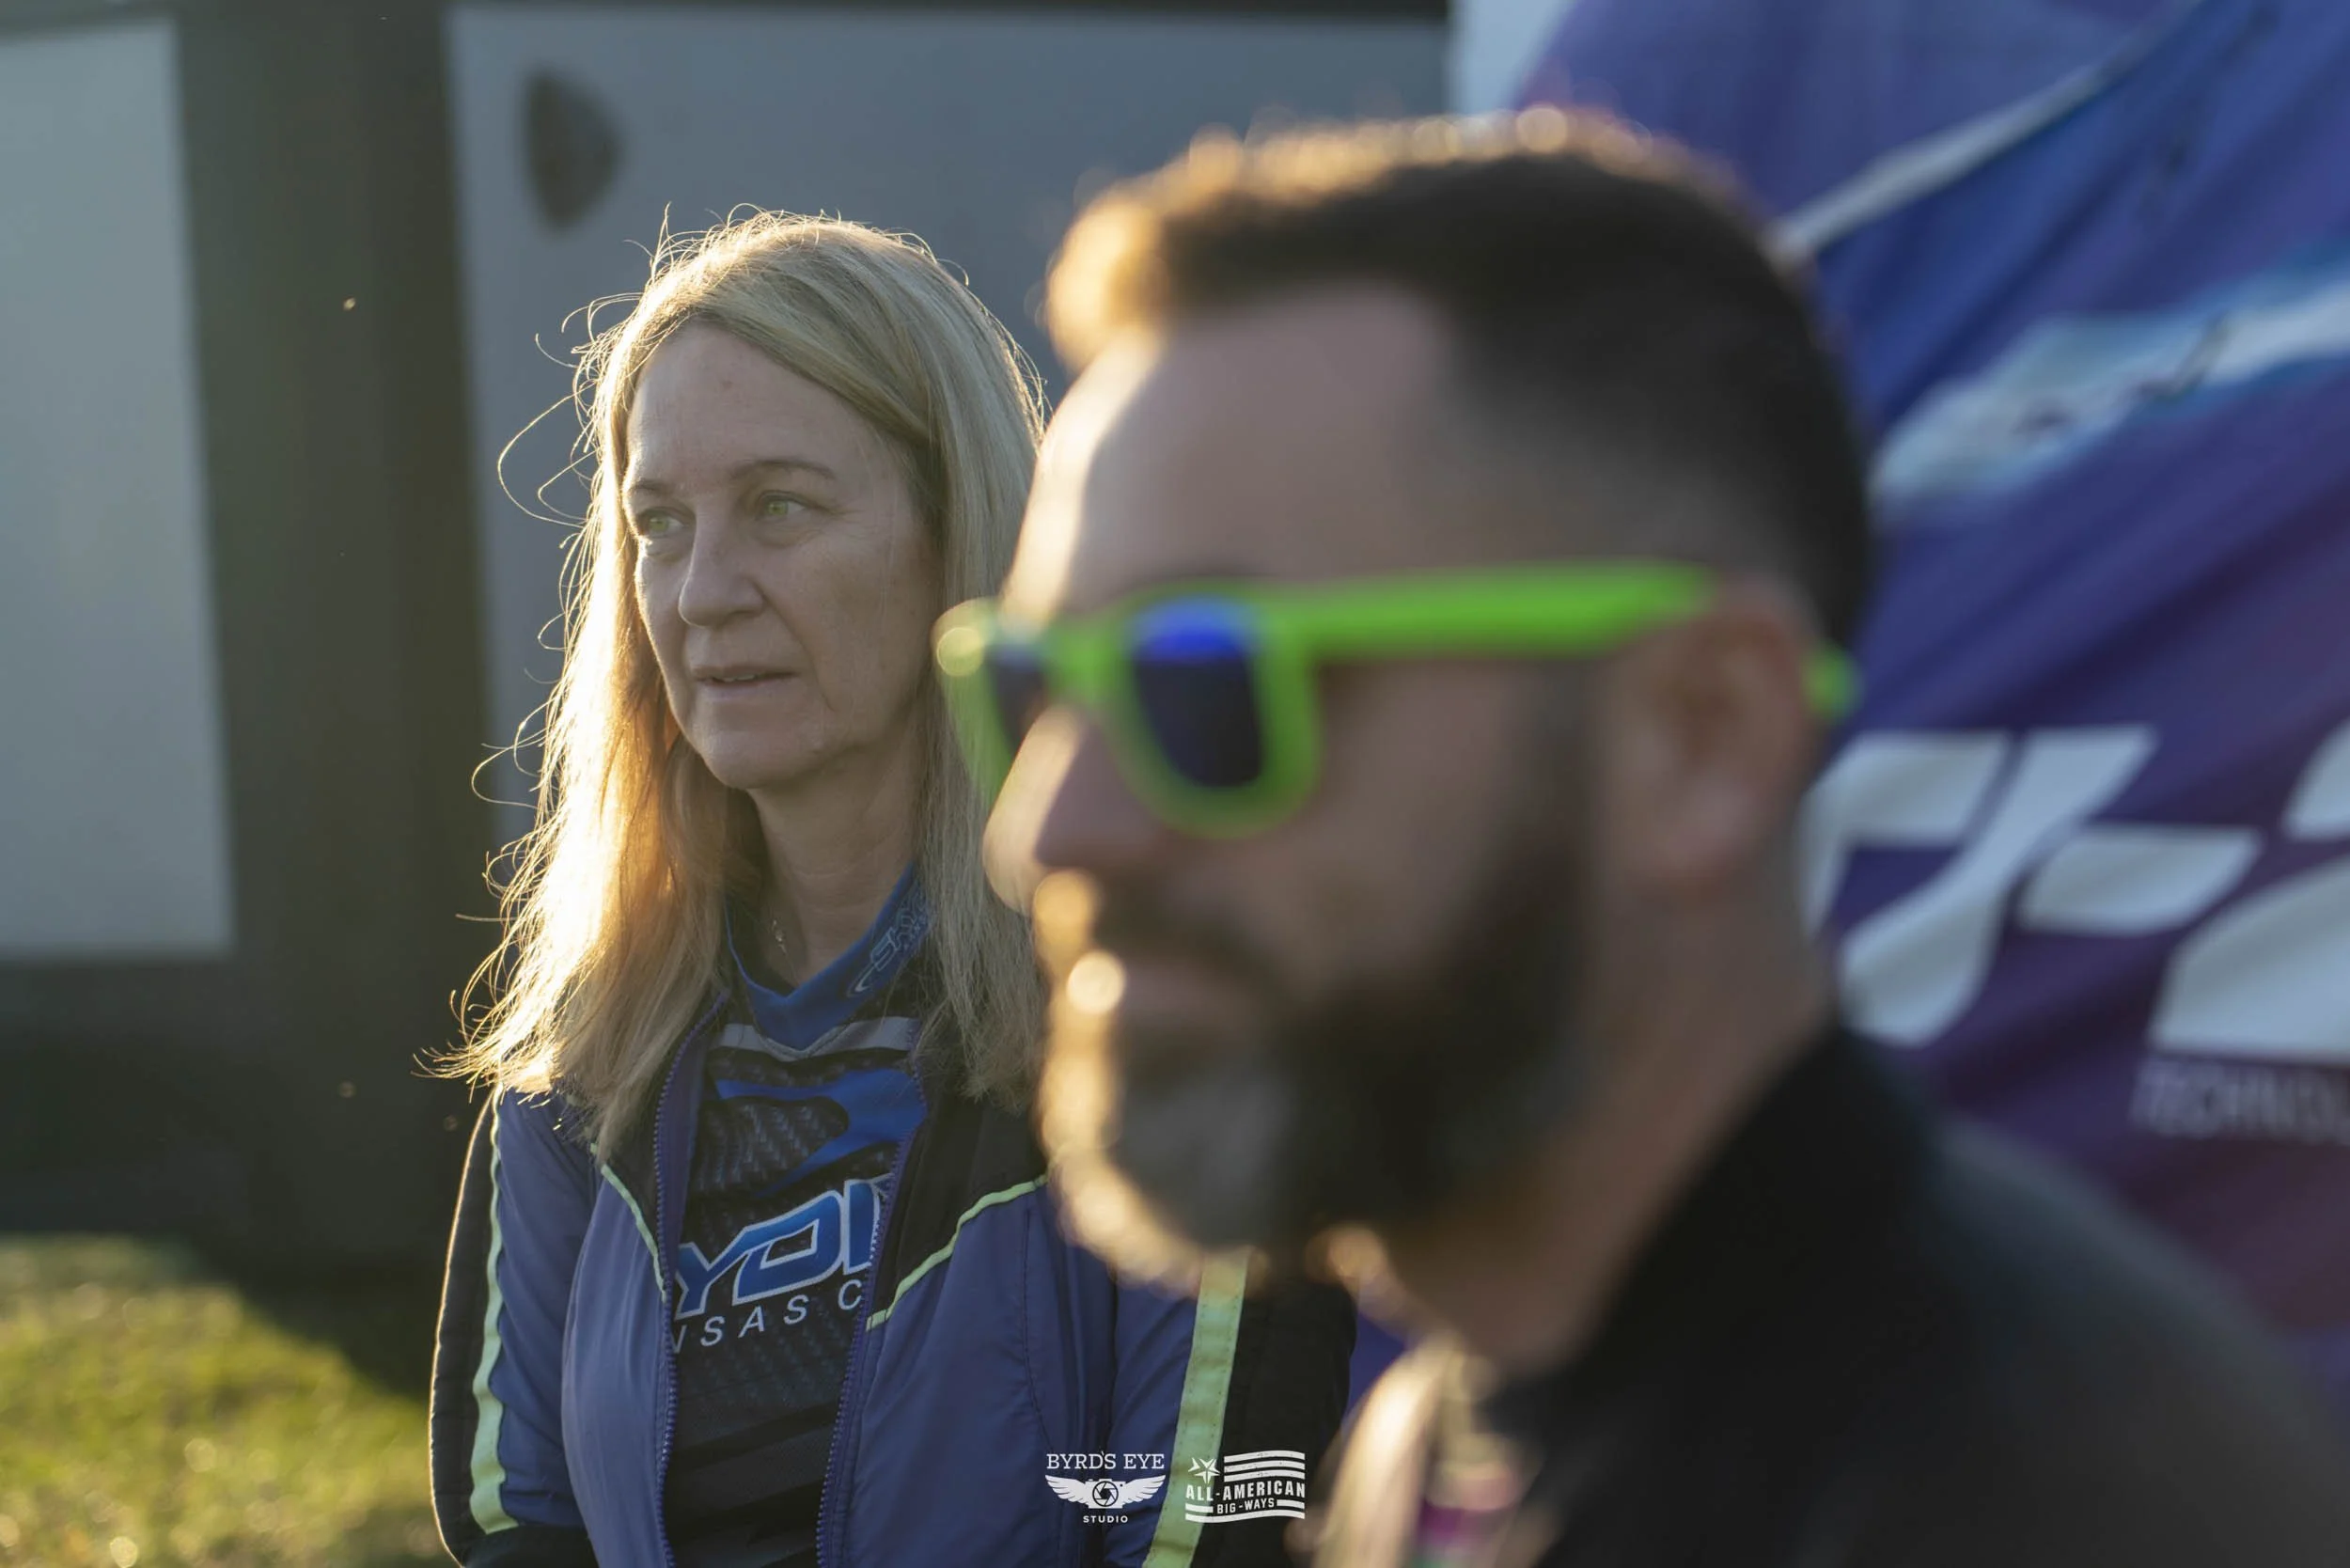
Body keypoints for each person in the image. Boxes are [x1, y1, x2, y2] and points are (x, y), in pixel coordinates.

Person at [943, 115, 2350, 1566]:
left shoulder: (2054, 1501)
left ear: (1701, 735)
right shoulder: (1446, 1435)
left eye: (1204, 687)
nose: (1047, 829)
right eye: (1033, 687)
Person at [428, 212, 1354, 1568]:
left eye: (782, 509)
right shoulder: (580, 1066)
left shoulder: (1174, 1007)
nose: (702, 592)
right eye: (659, 524)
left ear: (954, 541)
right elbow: (516, 1520)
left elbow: (1226, 1516)